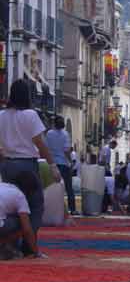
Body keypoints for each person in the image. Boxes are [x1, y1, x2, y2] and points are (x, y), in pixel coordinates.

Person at [0, 79, 61, 255]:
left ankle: (12, 243)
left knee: (12, 206)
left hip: (7, 164)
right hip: (27, 164)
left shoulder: (2, 115)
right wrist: (53, 165)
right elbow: (40, 144)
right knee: (34, 206)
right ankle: (29, 246)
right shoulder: (30, 115)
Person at [0, 172, 45, 260]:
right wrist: (36, 252)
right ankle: (3, 246)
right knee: (22, 222)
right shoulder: (20, 196)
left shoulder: (3, 185)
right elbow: (27, 230)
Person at [45, 116, 76, 215]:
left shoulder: (49, 134)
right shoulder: (65, 134)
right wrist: (71, 162)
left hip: (52, 164)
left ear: (54, 123)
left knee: (52, 187)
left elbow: (46, 147)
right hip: (63, 164)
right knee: (68, 187)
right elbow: (66, 150)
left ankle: (51, 209)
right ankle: (72, 209)